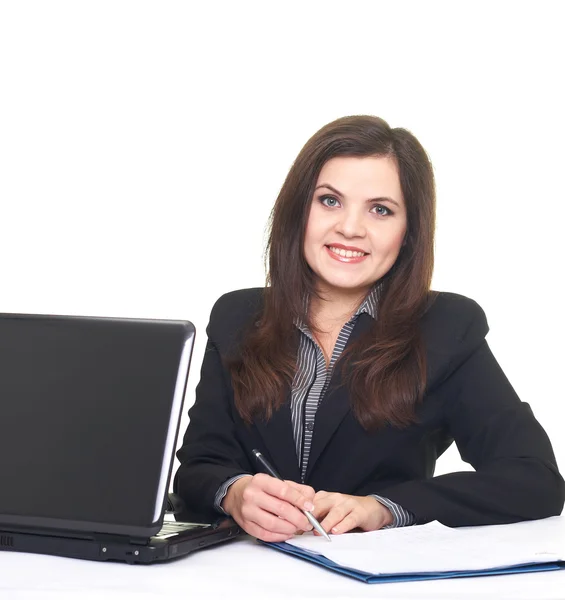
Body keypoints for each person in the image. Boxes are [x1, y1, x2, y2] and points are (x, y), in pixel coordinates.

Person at [174, 115, 565, 542]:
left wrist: (383, 509)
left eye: (380, 210)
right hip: (243, 574)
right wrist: (235, 493)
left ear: (408, 232)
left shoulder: (448, 328)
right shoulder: (237, 315)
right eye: (329, 201)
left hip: (371, 576)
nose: (350, 228)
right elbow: (199, 465)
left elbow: (534, 479)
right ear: (297, 209)